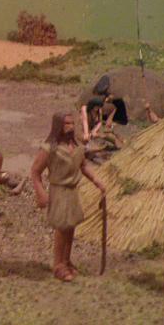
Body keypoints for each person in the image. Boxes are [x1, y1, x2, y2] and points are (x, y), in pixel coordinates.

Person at [31, 112, 107, 282]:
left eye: (72, 123)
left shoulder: (77, 146)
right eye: (66, 124)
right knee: (62, 227)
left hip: (72, 191)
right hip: (59, 191)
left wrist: (97, 181)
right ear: (59, 125)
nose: (70, 127)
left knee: (71, 226)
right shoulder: (49, 148)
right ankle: (58, 265)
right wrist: (41, 193)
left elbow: (83, 166)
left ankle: (66, 260)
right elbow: (35, 172)